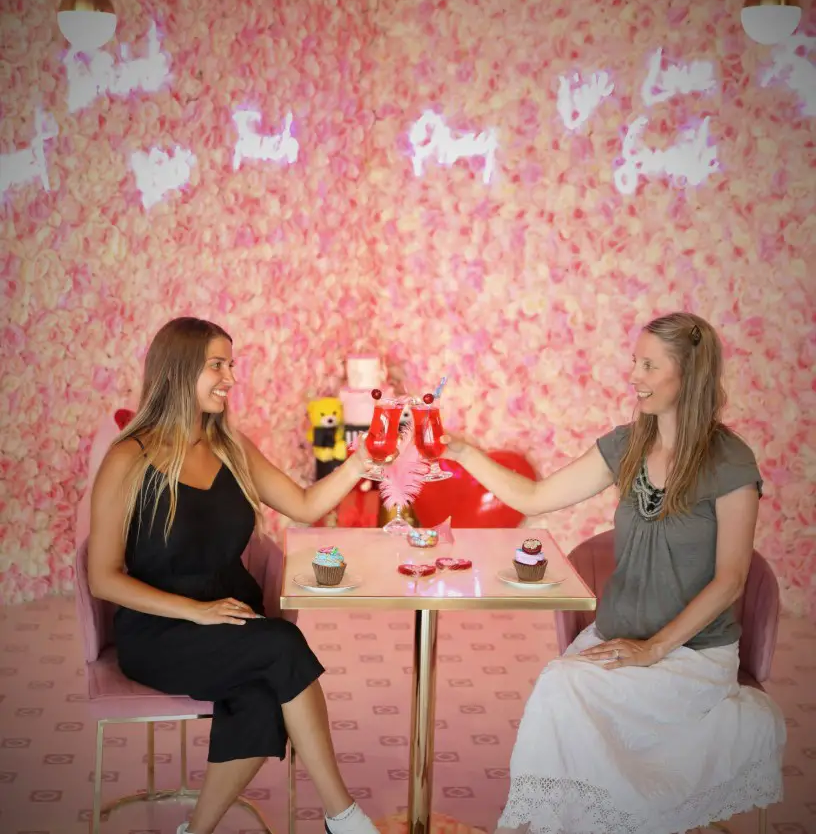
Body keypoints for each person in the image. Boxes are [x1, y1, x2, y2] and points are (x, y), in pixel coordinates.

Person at [442, 312, 786, 834]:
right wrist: (465, 451)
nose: (634, 376)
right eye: (634, 362)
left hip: (690, 656)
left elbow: (731, 580)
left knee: (559, 687)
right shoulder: (625, 445)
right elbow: (535, 496)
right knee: (562, 698)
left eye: (649, 365)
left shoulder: (730, 462)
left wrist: (654, 648)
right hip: (618, 638)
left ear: (689, 374)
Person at [88, 317, 382, 834]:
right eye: (217, 365)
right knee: (284, 647)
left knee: (264, 697)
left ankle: (194, 831)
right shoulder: (127, 460)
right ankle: (344, 817)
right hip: (161, 630)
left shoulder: (230, 446)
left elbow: (305, 504)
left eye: (231, 365)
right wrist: (195, 612)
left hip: (232, 621)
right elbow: (103, 579)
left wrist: (363, 461)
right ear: (179, 371)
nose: (230, 377)